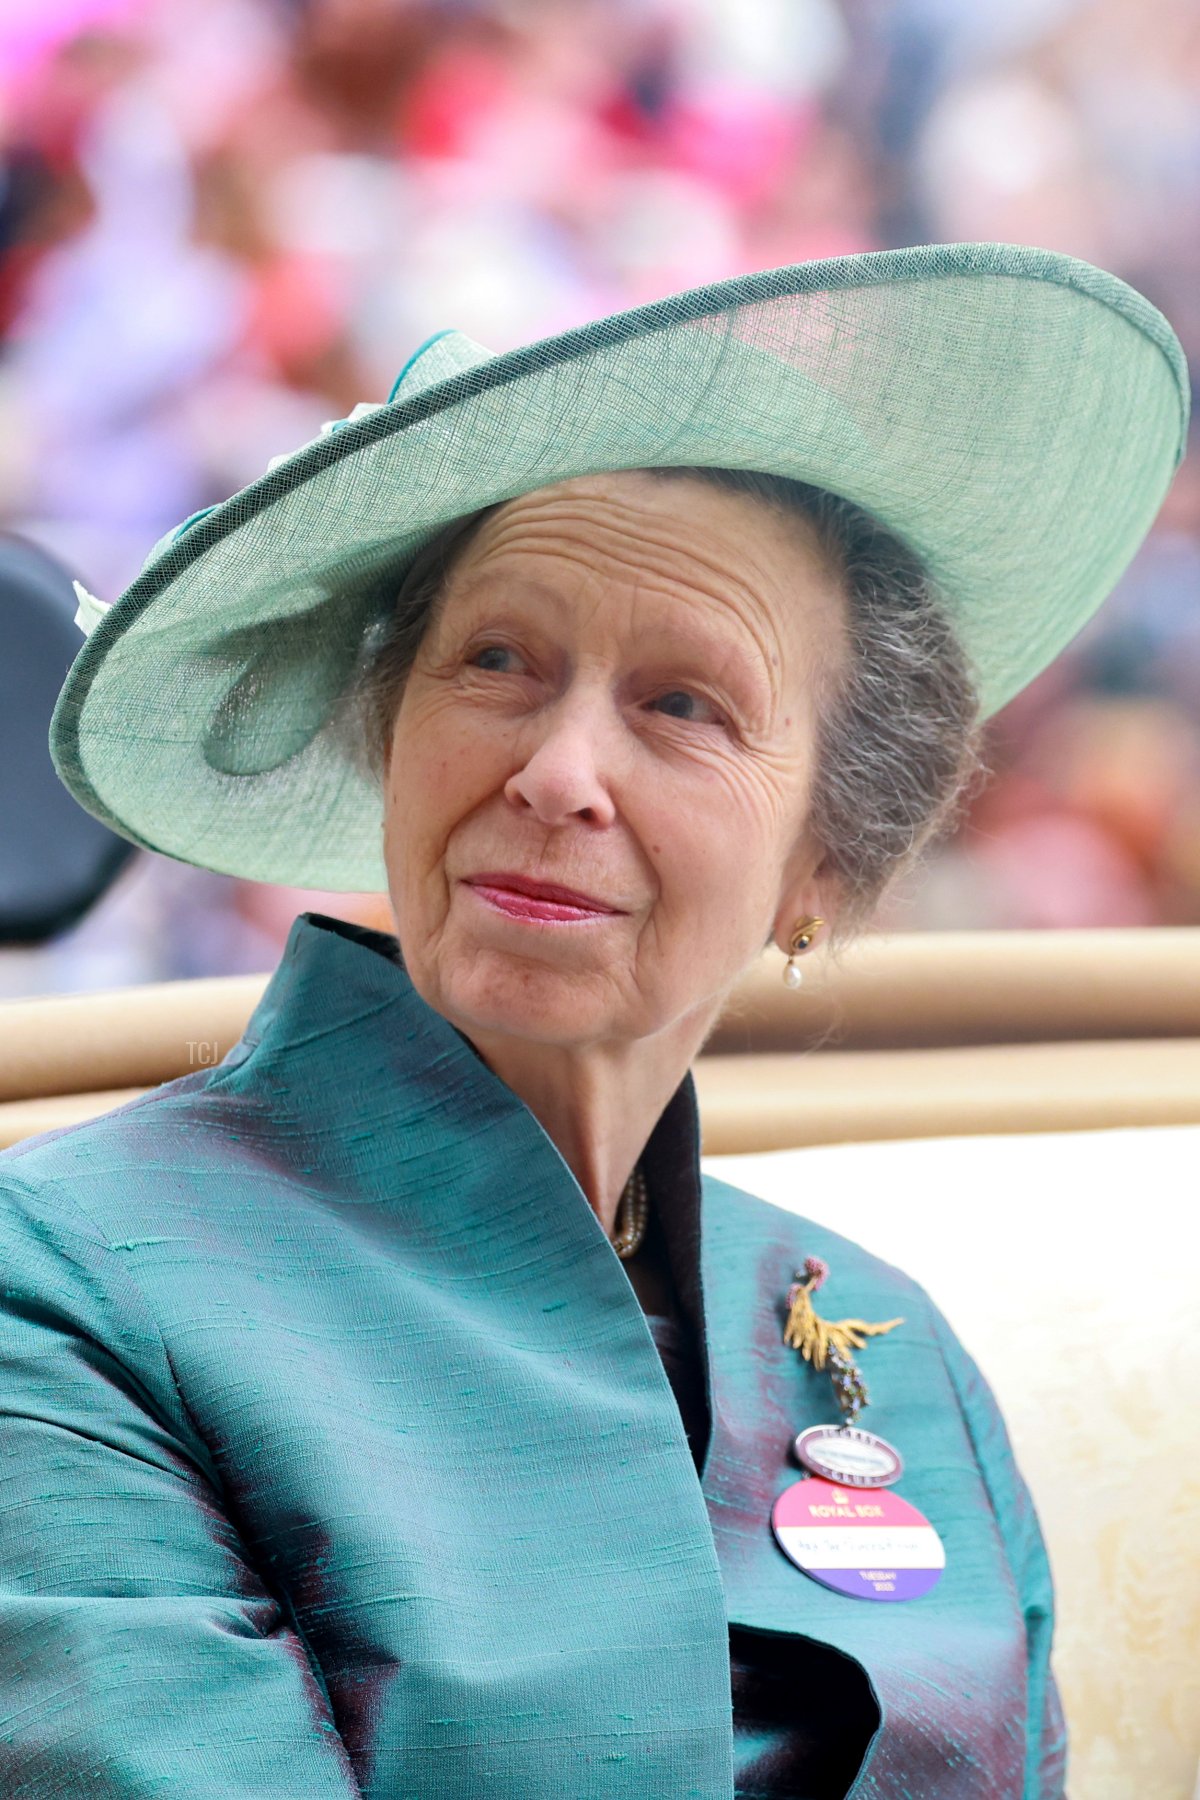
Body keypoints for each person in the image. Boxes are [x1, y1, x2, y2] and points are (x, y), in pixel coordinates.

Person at [0, 244, 1187, 1798]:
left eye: (683, 706)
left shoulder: (885, 1348)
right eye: (496, 661)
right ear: (392, 739)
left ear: (824, 858)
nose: (559, 771)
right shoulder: (71, 1282)